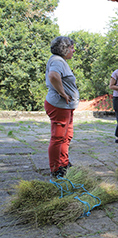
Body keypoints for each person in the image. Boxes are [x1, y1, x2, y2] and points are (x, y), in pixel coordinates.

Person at [44, 36, 79, 178]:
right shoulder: (57, 61)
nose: (73, 50)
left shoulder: (60, 61)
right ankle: (55, 169)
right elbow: (53, 76)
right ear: (64, 49)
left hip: (66, 107)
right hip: (59, 105)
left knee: (67, 136)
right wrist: (63, 93)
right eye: (71, 47)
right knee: (58, 137)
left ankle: (64, 163)